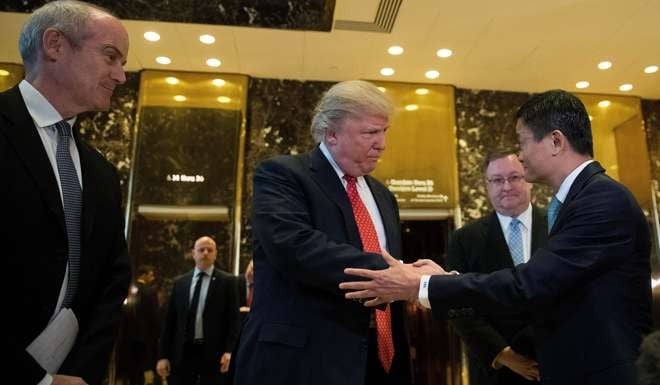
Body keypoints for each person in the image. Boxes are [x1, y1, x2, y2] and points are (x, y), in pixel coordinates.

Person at [340, 89, 653, 385]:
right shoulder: (581, 198)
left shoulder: (601, 200)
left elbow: (529, 284)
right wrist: (448, 279)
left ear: (556, 141)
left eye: (523, 142)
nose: (521, 154)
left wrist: (421, 285)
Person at [233, 80, 412, 385]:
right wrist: (394, 275)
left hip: (378, 364)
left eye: (385, 132)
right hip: (300, 364)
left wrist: (412, 280)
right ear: (331, 133)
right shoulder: (282, 175)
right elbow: (295, 247)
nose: (382, 143)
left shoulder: (384, 197)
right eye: (370, 132)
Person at [1, 1, 131, 384]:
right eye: (111, 56)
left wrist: (77, 375)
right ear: (55, 45)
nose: (121, 76)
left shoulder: (102, 172)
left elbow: (112, 281)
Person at [447, 150, 546, 384]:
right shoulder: (464, 240)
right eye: (497, 180)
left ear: (529, 180)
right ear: (487, 185)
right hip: (497, 371)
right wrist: (504, 355)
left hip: (561, 362)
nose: (506, 186)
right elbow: (457, 305)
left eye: (514, 177)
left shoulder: (561, 227)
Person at [157, 236, 240, 385]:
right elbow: (170, 322)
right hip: (183, 353)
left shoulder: (227, 282)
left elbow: (233, 320)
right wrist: (163, 356)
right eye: (201, 250)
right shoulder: (180, 283)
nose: (205, 253)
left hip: (214, 354)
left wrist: (229, 351)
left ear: (215, 254)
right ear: (193, 254)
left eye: (210, 250)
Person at [116, 265, 161, 385]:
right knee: (138, 371)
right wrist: (156, 337)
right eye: (151, 275)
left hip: (124, 337)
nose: (152, 278)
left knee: (125, 369)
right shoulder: (149, 291)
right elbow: (154, 317)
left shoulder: (128, 288)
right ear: (144, 275)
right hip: (142, 338)